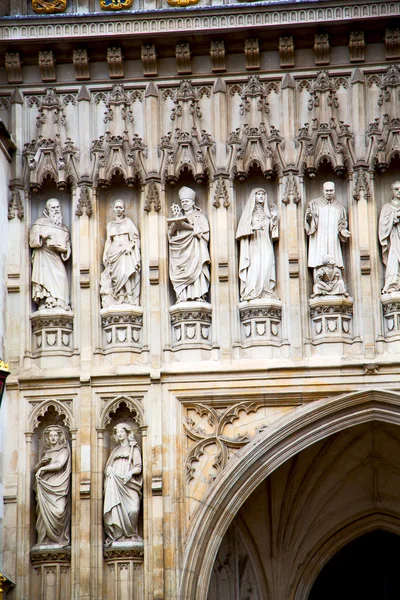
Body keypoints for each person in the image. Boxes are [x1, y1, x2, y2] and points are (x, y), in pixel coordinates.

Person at [168, 186, 210, 303]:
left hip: (195, 250)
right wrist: (174, 226)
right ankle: (182, 296)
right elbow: (170, 235)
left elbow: (205, 234)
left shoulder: (200, 217)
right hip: (181, 251)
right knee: (180, 270)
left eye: (186, 201)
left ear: (192, 202)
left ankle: (198, 294)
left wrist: (190, 227)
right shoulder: (178, 216)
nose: (184, 203)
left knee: (197, 270)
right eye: (182, 202)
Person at [305, 181, 350, 290]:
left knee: (334, 258)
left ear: (335, 191)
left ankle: (335, 284)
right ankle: (319, 285)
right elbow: (309, 223)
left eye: (331, 190)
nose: (329, 193)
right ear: (323, 190)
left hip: (333, 239)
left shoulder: (340, 207)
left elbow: (342, 223)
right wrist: (309, 217)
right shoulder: (314, 204)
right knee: (319, 259)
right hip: (319, 238)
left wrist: (343, 231)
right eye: (327, 191)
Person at [236, 188, 279, 301]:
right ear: (253, 196)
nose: (261, 196)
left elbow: (272, 232)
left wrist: (274, 218)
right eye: (258, 194)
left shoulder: (266, 213)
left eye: (263, 194)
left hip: (266, 243)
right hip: (254, 244)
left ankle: (265, 290)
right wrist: (253, 228)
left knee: (266, 266)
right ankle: (251, 291)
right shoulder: (249, 213)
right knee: (255, 265)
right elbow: (241, 230)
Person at [103, 423, 143, 545]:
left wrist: (130, 473)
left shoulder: (133, 449)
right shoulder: (115, 450)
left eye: (122, 432)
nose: (119, 434)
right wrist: (109, 469)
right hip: (115, 483)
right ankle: (118, 535)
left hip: (128, 483)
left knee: (133, 509)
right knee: (116, 508)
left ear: (127, 433)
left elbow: (138, 467)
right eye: (117, 432)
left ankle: (131, 534)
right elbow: (108, 466)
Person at [29, 198, 71, 311]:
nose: (56, 210)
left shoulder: (63, 227)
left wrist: (64, 249)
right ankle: (45, 300)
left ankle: (60, 301)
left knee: (61, 275)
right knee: (44, 277)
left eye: (58, 207)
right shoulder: (39, 223)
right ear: (47, 210)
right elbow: (32, 241)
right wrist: (42, 237)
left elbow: (67, 247)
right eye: (53, 208)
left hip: (56, 256)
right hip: (43, 256)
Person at [34, 425, 71, 547]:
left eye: (55, 435)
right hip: (45, 486)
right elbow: (35, 470)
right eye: (51, 436)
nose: (53, 438)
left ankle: (58, 539)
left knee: (59, 511)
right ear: (47, 438)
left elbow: (59, 464)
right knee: (42, 514)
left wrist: (43, 468)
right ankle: (44, 540)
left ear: (60, 437)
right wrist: (40, 464)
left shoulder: (64, 450)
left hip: (59, 485)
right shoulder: (46, 452)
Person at [100, 199, 141, 307]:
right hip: (113, 251)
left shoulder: (128, 222)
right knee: (116, 276)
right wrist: (105, 254)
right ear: (113, 209)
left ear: (124, 209)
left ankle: (130, 296)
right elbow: (109, 240)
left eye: (120, 207)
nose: (118, 209)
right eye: (117, 207)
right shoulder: (110, 225)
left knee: (125, 273)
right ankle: (121, 296)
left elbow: (135, 237)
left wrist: (130, 246)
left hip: (125, 251)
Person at [379, 181, 400, 293]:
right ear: (392, 191)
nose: (399, 191)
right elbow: (383, 226)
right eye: (396, 189)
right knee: (394, 260)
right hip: (395, 239)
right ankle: (393, 284)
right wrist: (395, 216)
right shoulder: (387, 207)